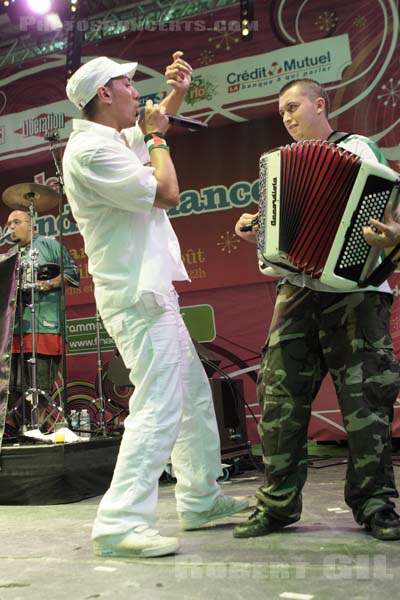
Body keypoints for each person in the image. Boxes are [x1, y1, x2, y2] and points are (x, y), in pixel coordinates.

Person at [62, 52, 248, 559]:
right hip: (135, 296)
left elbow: (147, 127)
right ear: (104, 93)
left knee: (190, 393)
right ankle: (120, 522)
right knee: (160, 400)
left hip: (150, 291)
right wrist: (161, 138)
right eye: (126, 82)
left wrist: (178, 94)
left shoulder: (108, 140)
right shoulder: (90, 154)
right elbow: (166, 191)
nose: (135, 90)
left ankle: (200, 498)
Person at [233, 78, 400, 541]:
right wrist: (255, 232)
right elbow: (275, 244)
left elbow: (387, 207)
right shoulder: (277, 166)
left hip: (356, 289)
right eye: (281, 112)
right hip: (298, 288)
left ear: (320, 104)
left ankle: (375, 505)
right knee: (279, 399)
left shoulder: (359, 148)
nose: (286, 118)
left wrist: (387, 233)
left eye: (293, 107)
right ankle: (277, 506)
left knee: (367, 402)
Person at [6, 209, 80, 430]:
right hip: (15, 328)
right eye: (8, 224)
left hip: (45, 325)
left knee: (40, 385)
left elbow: (73, 273)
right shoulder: (9, 256)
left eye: (16, 222)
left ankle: (37, 429)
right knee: (13, 386)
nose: (11, 227)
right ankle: (15, 431)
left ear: (31, 225)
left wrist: (47, 284)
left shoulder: (49, 246)